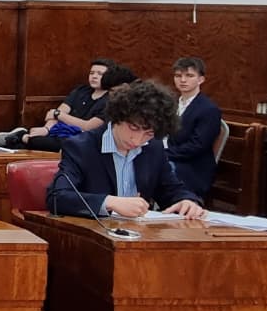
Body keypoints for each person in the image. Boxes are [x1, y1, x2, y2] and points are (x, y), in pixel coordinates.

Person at [46, 80, 206, 220]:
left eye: (149, 133)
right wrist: (109, 202)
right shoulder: (81, 147)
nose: (137, 140)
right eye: (133, 128)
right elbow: (57, 197)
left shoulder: (153, 148)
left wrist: (187, 201)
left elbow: (171, 188)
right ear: (117, 117)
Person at [0, 58, 117, 150]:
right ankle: (19, 141)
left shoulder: (111, 100)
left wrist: (59, 115)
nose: (94, 76)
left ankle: (21, 137)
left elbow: (87, 126)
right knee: (40, 140)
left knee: (58, 144)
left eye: (99, 74)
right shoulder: (81, 90)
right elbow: (56, 113)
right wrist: (46, 129)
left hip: (84, 138)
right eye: (91, 73)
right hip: (60, 131)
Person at [166, 57, 223, 200]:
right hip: (171, 156)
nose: (183, 80)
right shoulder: (171, 104)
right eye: (178, 75)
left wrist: (163, 154)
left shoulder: (209, 109)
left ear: (201, 79)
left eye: (189, 75)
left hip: (191, 167)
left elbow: (197, 146)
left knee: (152, 166)